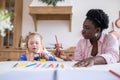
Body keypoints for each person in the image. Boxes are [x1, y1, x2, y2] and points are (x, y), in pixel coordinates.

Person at [55, 9, 119, 67]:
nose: (83, 31)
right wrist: (66, 58)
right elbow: (78, 63)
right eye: (83, 27)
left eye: (87, 28)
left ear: (97, 30)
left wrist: (93, 60)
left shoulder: (110, 39)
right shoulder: (81, 43)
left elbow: (113, 56)